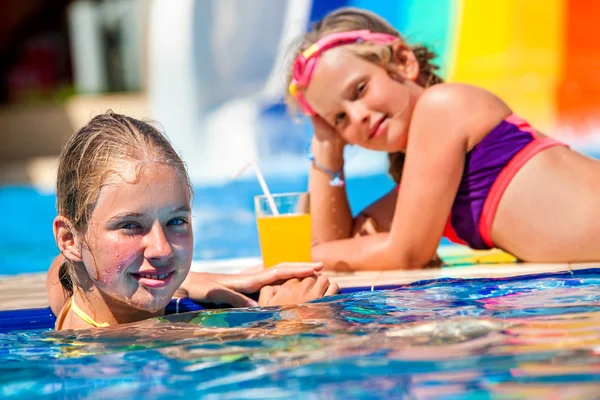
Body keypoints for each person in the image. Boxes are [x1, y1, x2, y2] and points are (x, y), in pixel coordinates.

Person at [285, 7, 600, 271]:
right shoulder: (429, 184)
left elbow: (405, 254)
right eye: (339, 119)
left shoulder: (442, 107)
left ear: (404, 61)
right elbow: (341, 247)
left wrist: (295, 256)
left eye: (360, 90)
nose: (357, 116)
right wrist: (327, 149)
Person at [49, 111, 338, 330]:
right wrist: (286, 321)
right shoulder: (163, 348)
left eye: (176, 221)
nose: (162, 250)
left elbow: (58, 269)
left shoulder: (69, 302)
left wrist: (192, 280)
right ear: (69, 239)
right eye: (130, 226)